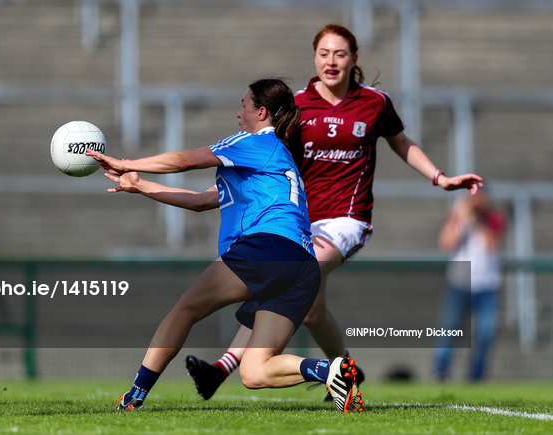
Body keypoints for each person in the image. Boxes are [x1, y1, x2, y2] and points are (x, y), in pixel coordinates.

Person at [185, 24, 483, 401]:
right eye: (324, 53)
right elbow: (269, 162)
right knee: (312, 312)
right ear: (314, 57)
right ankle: (346, 375)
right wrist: (220, 193)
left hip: (346, 220)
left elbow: (402, 143)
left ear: (354, 59)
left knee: (284, 276)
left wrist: (440, 178)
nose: (331, 61)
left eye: (340, 54)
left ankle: (221, 368)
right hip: (299, 220)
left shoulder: (375, 102)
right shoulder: (296, 107)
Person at [86, 78, 364, 413]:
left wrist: (126, 163)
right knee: (254, 371)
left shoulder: (254, 141)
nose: (238, 112)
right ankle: (330, 369)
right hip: (302, 265)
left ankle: (134, 397)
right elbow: (204, 201)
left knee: (187, 309)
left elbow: (183, 160)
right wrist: (141, 185)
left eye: (244, 104)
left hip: (268, 248)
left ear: (261, 112)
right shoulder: (273, 158)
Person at [433, 191, 506, 381]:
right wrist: (460, 218)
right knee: (448, 331)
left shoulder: (493, 219)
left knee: (484, 335)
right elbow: (446, 244)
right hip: (459, 284)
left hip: (487, 286)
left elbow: (491, 244)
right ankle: (440, 374)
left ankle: (476, 377)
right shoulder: (458, 217)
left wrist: (477, 222)